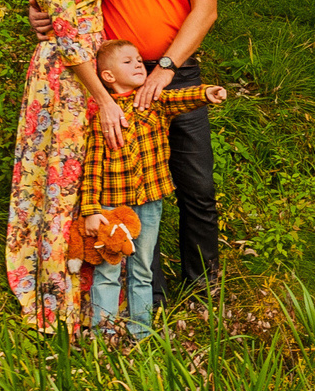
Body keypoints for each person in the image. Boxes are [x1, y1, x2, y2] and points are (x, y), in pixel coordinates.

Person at [34, 0, 227, 306]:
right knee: (131, 187)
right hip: (114, 80)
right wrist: (40, 15)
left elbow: (206, 9)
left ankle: (203, 291)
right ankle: (146, 297)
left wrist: (166, 67)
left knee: (195, 183)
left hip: (173, 72)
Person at [3, 0, 122, 332]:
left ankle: (85, 291)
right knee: (59, 181)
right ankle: (55, 298)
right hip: (66, 80)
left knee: (78, 182)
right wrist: (104, 96)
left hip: (87, 73)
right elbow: (68, 36)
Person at [79, 40, 227, 340]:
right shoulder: (103, 118)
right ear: (107, 77)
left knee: (142, 269)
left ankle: (141, 331)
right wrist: (91, 210)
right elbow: (92, 167)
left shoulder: (154, 103)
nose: (138, 65)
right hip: (113, 208)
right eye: (128, 62)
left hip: (150, 202)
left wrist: (207, 93)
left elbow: (182, 99)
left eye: (138, 59)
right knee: (108, 271)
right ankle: (103, 333)